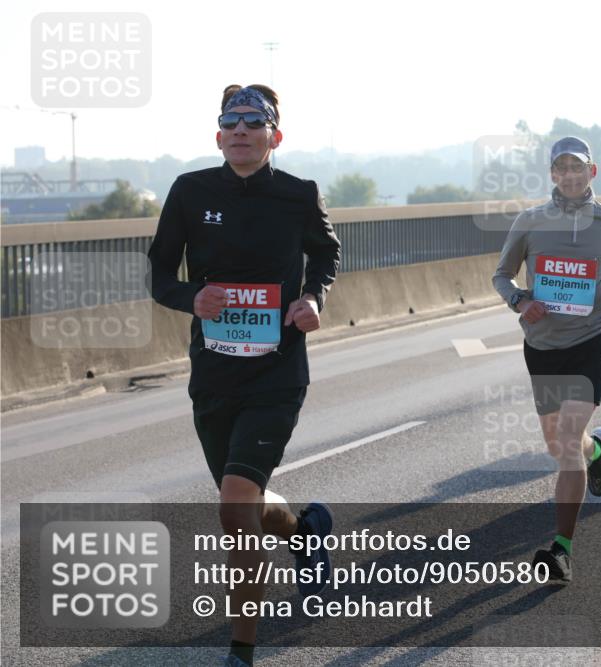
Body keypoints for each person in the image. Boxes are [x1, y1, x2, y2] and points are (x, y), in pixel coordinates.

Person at [148, 84, 341, 667]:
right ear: (218, 135)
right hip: (213, 374)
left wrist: (313, 297)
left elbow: (327, 255)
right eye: (230, 122)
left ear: (273, 136)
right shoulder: (190, 191)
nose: (240, 131)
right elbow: (160, 272)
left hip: (277, 372)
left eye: (253, 123)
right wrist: (191, 297)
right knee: (244, 500)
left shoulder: (298, 194)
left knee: (235, 506)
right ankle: (306, 529)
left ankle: (241, 648)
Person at [493, 136, 601, 582]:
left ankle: (562, 550)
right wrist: (520, 301)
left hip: (588, 343)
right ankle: (598, 450)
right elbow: (502, 275)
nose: (571, 174)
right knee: (562, 446)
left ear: (592, 173)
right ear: (553, 174)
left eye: (579, 167)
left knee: (565, 448)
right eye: (562, 167)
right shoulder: (531, 221)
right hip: (541, 346)